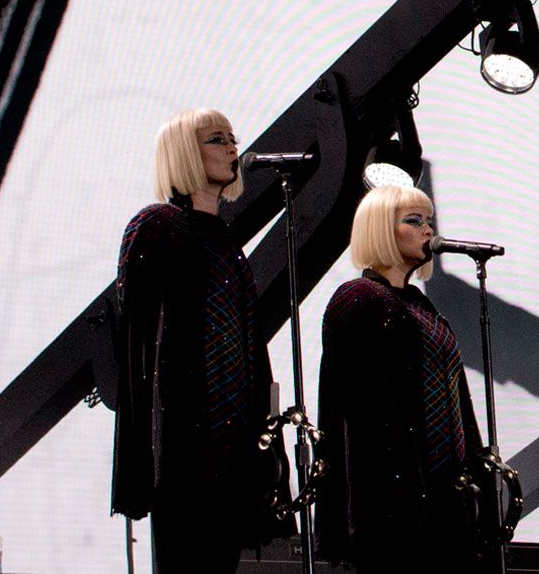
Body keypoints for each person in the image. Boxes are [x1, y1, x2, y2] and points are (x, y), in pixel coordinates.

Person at [111, 109, 277, 574]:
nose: (231, 148)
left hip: (233, 447)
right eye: (216, 139)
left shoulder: (226, 240)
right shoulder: (156, 226)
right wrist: (146, 459)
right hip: (185, 449)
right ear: (185, 152)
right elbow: (140, 347)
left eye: (232, 138)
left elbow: (250, 349)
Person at [317, 183, 484, 573]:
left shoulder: (419, 303)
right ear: (380, 229)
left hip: (443, 498)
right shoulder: (357, 298)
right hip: (395, 509)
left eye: (429, 220)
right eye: (414, 221)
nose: (428, 230)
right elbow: (363, 415)